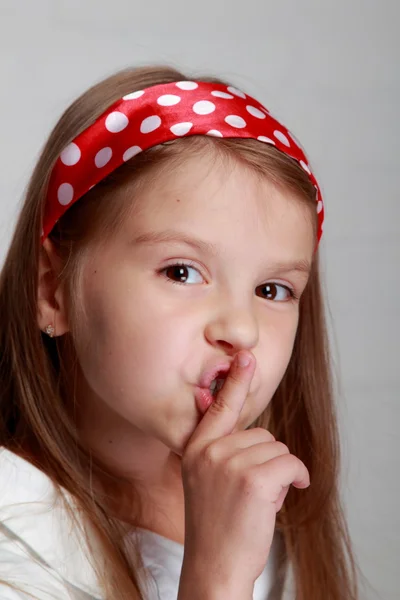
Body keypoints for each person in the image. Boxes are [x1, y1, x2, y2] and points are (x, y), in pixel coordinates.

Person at [0, 65, 359, 600]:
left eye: (272, 290)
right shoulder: (16, 540)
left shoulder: (267, 503)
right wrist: (216, 578)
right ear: (53, 291)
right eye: (181, 272)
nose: (242, 330)